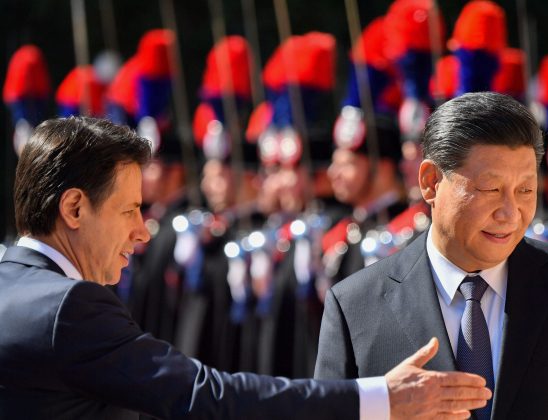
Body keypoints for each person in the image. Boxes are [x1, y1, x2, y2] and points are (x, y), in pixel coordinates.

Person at [0, 116, 491, 419]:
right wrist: (380, 399)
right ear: (74, 209)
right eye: (128, 210)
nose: (142, 230)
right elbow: (204, 397)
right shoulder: (70, 307)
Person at [314, 92, 548, 420]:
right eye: (490, 189)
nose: (510, 213)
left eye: (526, 190)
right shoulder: (356, 307)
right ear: (431, 182)